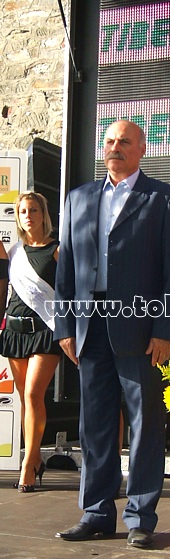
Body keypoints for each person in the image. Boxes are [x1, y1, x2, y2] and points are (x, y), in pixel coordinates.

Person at [54, 120, 170, 548]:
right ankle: (95, 512)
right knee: (93, 424)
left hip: (142, 328)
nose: (115, 148)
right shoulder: (78, 198)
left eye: (124, 142)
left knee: (145, 423)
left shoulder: (165, 199)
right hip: (89, 326)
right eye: (110, 141)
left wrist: (167, 329)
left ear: (141, 150)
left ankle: (140, 517)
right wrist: (64, 327)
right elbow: (65, 271)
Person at [0, 192, 62, 492]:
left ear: (43, 214)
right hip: (15, 329)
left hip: (45, 330)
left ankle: (28, 462)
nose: (28, 215)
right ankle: (34, 457)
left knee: (35, 395)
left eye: (33, 209)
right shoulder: (14, 252)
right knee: (25, 398)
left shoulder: (58, 249)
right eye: (22, 210)